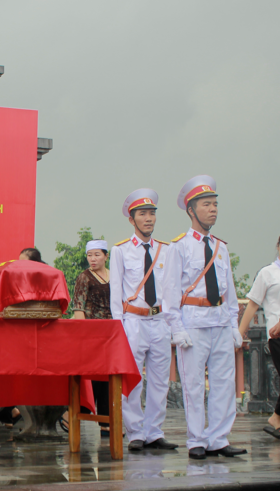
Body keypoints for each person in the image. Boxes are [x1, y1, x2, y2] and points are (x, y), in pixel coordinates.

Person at [161, 175, 246, 460]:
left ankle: (219, 438)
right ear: (191, 210)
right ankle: (197, 439)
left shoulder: (221, 247)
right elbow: (170, 293)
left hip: (220, 321)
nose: (213, 210)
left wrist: (234, 325)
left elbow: (230, 291)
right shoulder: (179, 247)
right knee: (194, 385)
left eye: (215, 204)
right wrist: (176, 328)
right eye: (207, 205)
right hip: (193, 324)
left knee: (224, 383)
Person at [110, 189, 178, 452]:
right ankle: (136, 432)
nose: (148, 219)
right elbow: (116, 291)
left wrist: (173, 324)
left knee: (161, 380)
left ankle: (155, 432)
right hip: (133, 321)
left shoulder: (166, 250)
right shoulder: (121, 251)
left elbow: (171, 290)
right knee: (133, 379)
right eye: (142, 214)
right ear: (132, 220)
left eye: (152, 213)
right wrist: (119, 327)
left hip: (159, 320)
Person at [239, 230, 280, 444]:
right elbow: (253, 304)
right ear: (278, 245)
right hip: (279, 335)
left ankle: (275, 417)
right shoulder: (267, 273)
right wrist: (240, 333)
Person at [65, 239, 114, 436]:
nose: (92, 259)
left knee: (109, 377)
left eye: (97, 255)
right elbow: (78, 307)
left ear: (106, 256)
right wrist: (84, 336)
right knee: (94, 377)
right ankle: (81, 415)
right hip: (92, 334)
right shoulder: (84, 277)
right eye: (89, 255)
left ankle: (107, 421)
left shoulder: (115, 276)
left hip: (112, 332)